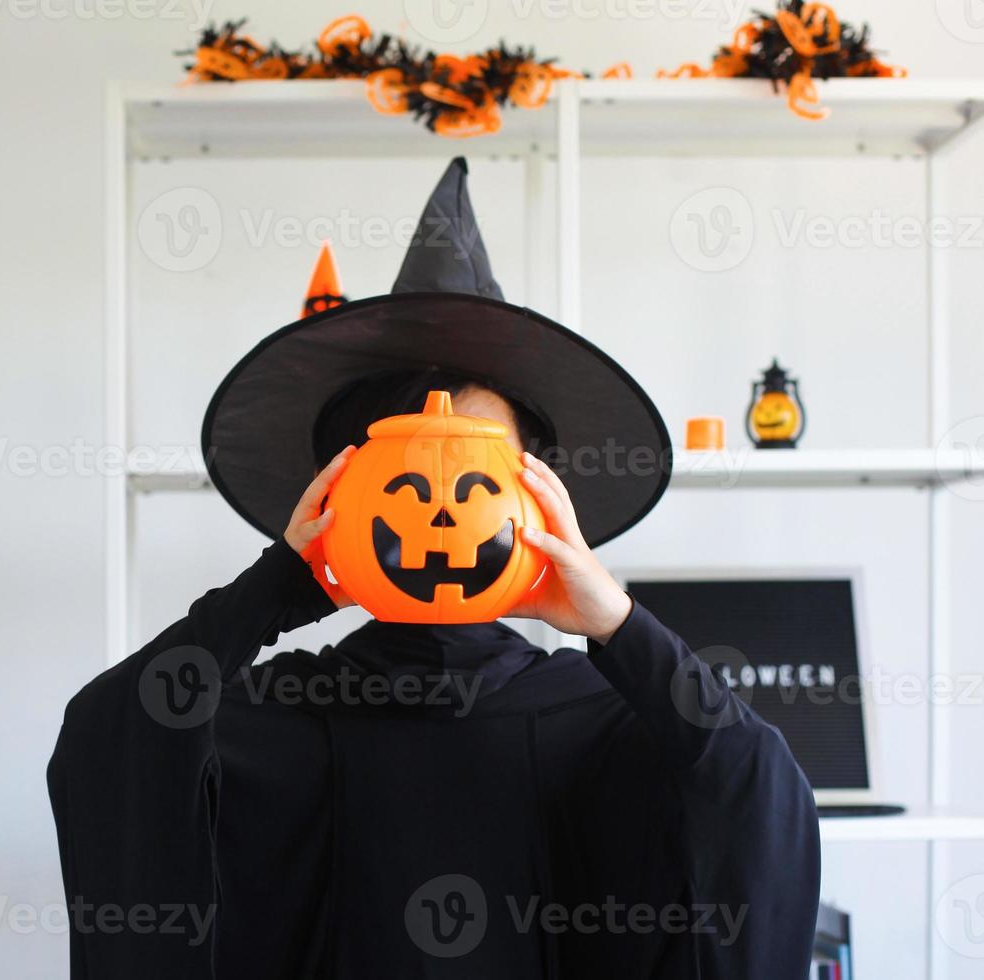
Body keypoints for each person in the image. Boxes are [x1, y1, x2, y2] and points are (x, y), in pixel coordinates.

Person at [47, 159, 821, 979]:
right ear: (346, 494)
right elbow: (110, 737)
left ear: (535, 501)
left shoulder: (605, 722)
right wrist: (275, 590)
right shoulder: (274, 716)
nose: (445, 512)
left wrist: (620, 627)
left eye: (479, 478)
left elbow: (759, 800)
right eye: (412, 477)